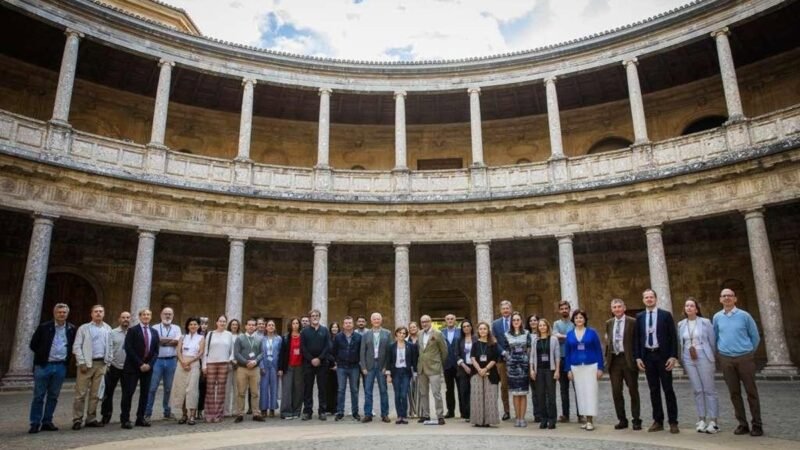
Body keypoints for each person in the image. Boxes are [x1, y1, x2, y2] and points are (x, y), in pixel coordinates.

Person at [713, 288, 762, 437]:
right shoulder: (717, 317)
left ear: (735, 299)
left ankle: (757, 424)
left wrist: (748, 352)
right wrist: (721, 354)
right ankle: (742, 423)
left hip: (744, 357)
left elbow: (755, 336)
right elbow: (715, 337)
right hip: (726, 358)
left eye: (730, 296)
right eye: (724, 296)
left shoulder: (744, 316)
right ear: (720, 299)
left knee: (751, 392)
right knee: (734, 393)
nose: (727, 298)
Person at [634, 289, 680, 434]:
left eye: (651, 297)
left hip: (663, 356)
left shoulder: (665, 315)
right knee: (653, 390)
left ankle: (673, 421)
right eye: (646, 297)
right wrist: (638, 357)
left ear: (656, 298)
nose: (649, 299)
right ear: (643, 300)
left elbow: (673, 337)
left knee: (668, 389)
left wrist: (673, 356)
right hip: (648, 356)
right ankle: (658, 420)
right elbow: (637, 339)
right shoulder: (639, 317)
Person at [28, 303, 76, 434]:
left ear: (67, 314)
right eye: (59, 312)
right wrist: (43, 355)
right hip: (44, 366)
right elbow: (33, 344)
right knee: (39, 396)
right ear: (55, 313)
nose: (62, 314)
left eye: (64, 312)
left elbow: (72, 345)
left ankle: (47, 421)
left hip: (60, 366)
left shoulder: (71, 328)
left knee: (53, 396)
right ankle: (35, 422)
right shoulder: (44, 327)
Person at [678, 297, 719, 434]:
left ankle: (713, 421)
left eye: (691, 306)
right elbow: (681, 342)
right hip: (688, 357)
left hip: (704, 355)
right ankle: (701, 419)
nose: (689, 308)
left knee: (709, 389)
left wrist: (710, 356)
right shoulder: (681, 324)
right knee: (697, 390)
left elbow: (712, 341)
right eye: (686, 305)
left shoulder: (705, 322)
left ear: (696, 308)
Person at [71, 304, 113, 430]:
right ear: (91, 314)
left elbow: (110, 346)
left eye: (101, 311)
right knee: (81, 393)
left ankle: (91, 418)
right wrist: (82, 362)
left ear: (104, 313)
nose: (98, 313)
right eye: (96, 311)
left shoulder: (108, 328)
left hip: (101, 364)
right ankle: (77, 419)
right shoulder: (84, 328)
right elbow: (77, 346)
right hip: (86, 364)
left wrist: (108, 362)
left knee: (96, 394)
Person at [604, 299, 641, 431]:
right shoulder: (609, 323)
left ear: (624, 308)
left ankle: (636, 419)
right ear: (612, 309)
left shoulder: (633, 322)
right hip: (614, 360)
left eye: (619, 306)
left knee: (633, 390)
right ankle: (622, 419)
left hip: (628, 359)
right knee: (616, 392)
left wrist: (637, 358)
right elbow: (608, 341)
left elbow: (637, 341)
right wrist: (606, 358)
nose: (617, 309)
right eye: (614, 307)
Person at [564, 310, 603, 431]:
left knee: (590, 392)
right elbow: (567, 353)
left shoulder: (592, 333)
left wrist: (600, 368)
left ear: (585, 319)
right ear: (573, 320)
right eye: (576, 318)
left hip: (591, 366)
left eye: (581, 318)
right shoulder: (570, 334)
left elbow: (598, 350)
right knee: (580, 394)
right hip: (576, 367)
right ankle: (585, 419)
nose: (579, 320)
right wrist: (568, 369)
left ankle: (590, 420)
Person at [120, 308, 159, 429]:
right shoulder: (132, 330)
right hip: (133, 367)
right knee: (128, 393)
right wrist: (140, 364)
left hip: (148, 368)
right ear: (140, 316)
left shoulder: (154, 332)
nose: (146, 316)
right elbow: (128, 348)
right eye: (144, 315)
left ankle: (140, 418)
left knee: (145, 394)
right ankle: (125, 419)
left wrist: (149, 365)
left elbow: (156, 351)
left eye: (148, 314)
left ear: (151, 317)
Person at [145, 307, 181, 422]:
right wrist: (169, 341)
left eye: (170, 314)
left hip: (171, 360)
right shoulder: (155, 327)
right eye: (165, 314)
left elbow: (177, 341)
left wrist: (163, 341)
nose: (168, 316)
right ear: (161, 315)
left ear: (173, 315)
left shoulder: (176, 328)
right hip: (157, 361)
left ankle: (167, 411)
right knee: (152, 387)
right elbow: (156, 341)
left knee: (168, 388)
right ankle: (147, 412)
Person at [170, 317, 205, 425]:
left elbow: (201, 352)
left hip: (193, 364)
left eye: (195, 324)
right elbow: (178, 351)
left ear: (198, 326)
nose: (193, 326)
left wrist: (189, 362)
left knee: (191, 390)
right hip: (181, 364)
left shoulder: (201, 338)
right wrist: (182, 362)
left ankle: (192, 416)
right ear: (187, 326)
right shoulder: (182, 337)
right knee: (181, 389)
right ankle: (184, 414)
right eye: (191, 324)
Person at [202, 315, 235, 423]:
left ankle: (218, 414)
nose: (222, 323)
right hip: (211, 363)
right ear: (216, 322)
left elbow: (232, 350)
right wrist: (204, 365)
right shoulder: (210, 334)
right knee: (210, 389)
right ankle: (209, 414)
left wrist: (229, 359)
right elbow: (205, 351)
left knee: (221, 390)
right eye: (220, 321)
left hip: (223, 363)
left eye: (224, 321)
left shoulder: (229, 334)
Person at [359, 312, 391, 423]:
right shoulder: (365, 335)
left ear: (381, 320)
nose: (376, 321)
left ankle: (385, 414)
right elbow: (362, 352)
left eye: (378, 319)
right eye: (374, 319)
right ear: (371, 321)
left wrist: (386, 367)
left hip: (381, 366)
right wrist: (363, 367)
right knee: (368, 391)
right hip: (369, 366)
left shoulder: (387, 333)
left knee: (383, 390)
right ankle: (368, 414)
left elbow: (389, 352)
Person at [417, 314, 447, 425]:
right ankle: (426, 415)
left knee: (436, 393)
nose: (424, 323)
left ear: (430, 322)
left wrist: (438, 363)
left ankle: (440, 416)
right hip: (422, 368)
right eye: (422, 322)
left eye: (426, 321)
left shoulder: (438, 334)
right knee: (423, 393)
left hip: (434, 368)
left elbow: (444, 351)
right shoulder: (419, 333)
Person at [101, 311, 131, 425]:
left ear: (130, 319)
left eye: (128, 317)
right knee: (108, 393)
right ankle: (106, 415)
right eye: (123, 317)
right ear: (119, 319)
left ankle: (125, 418)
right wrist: (108, 363)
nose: (125, 319)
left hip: (128, 368)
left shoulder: (133, 333)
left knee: (127, 394)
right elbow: (107, 349)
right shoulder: (112, 333)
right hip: (113, 366)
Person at [530, 318, 560, 430]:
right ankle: (543, 419)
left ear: (547, 327)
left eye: (544, 325)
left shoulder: (553, 339)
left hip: (550, 370)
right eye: (540, 325)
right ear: (538, 327)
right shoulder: (535, 340)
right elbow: (532, 357)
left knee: (551, 396)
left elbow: (557, 357)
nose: (542, 327)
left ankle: (552, 419)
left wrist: (557, 370)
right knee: (540, 395)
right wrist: (531, 370)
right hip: (539, 371)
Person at [301, 309, 330, 420]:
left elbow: (327, 346)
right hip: (308, 363)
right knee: (308, 388)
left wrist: (319, 358)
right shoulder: (305, 332)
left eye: (317, 315)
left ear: (319, 317)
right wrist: (312, 359)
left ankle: (322, 411)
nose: (315, 317)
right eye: (313, 316)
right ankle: (307, 411)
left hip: (322, 364)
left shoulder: (325, 330)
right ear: (310, 318)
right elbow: (303, 347)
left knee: (322, 388)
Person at [234, 318, 265, 422]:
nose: (251, 327)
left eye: (253, 325)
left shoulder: (259, 339)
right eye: (249, 325)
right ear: (246, 326)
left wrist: (255, 361)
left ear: (256, 327)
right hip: (242, 368)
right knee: (241, 392)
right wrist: (246, 362)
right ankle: (240, 413)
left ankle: (256, 413)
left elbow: (262, 353)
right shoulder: (240, 338)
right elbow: (236, 353)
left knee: (255, 392)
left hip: (255, 369)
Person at [385, 326, 418, 424]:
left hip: (406, 372)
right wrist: (388, 375)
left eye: (404, 333)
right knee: (397, 394)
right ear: (396, 334)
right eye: (400, 333)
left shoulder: (411, 346)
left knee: (403, 394)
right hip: (395, 372)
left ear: (406, 335)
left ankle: (404, 415)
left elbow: (414, 360)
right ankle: (399, 416)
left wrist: (415, 373)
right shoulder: (391, 346)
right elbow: (388, 361)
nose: (402, 335)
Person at [470, 321, 500, 428]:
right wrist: (479, 369)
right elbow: (472, 358)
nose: (483, 331)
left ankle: (488, 420)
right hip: (476, 373)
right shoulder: (475, 344)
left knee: (489, 397)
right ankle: (478, 420)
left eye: (485, 329)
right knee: (477, 397)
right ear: (478, 331)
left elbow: (495, 359)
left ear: (488, 331)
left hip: (491, 373)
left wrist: (486, 368)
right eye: (481, 329)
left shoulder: (493, 344)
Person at [552, 300, 578, 423]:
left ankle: (581, 414)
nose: (564, 310)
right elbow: (555, 335)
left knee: (578, 388)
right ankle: (565, 414)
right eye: (562, 309)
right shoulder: (556, 323)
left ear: (569, 309)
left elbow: (576, 337)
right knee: (563, 389)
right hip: (561, 358)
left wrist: (562, 337)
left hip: (573, 358)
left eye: (566, 308)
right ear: (559, 311)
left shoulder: (574, 323)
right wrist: (568, 337)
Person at [333, 316, 362, 421]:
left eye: (350, 323)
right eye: (346, 323)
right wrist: (337, 361)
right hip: (341, 367)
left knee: (354, 390)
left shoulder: (359, 337)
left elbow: (361, 352)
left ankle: (355, 412)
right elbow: (334, 351)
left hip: (354, 367)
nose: (348, 325)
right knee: (341, 390)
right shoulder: (338, 337)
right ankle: (340, 412)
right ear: (343, 325)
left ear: (353, 324)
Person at [505, 311, 531, 427]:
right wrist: (508, 358)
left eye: (518, 320)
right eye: (514, 320)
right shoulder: (507, 334)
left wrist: (527, 360)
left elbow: (530, 348)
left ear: (521, 321)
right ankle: (517, 418)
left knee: (523, 393)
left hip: (524, 366)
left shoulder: (526, 333)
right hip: (512, 367)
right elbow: (505, 349)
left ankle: (523, 418)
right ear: (511, 322)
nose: (516, 322)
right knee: (515, 393)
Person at [490, 300, 513, 421]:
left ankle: (519, 411)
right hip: (501, 358)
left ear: (511, 309)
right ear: (500, 310)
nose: (505, 310)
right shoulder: (495, 324)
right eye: (503, 308)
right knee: (504, 385)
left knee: (517, 384)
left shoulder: (516, 320)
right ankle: (507, 411)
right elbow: (493, 340)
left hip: (516, 358)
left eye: (507, 308)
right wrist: (503, 352)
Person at [279, 317, 304, 419]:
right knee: (287, 390)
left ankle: (296, 411)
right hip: (288, 366)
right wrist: (280, 368)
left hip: (300, 366)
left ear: (299, 325)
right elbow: (281, 354)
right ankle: (286, 412)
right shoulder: (285, 338)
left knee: (298, 390)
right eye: (293, 323)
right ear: (290, 325)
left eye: (297, 323)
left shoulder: (303, 337)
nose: (295, 325)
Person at [259, 320, 282, 418]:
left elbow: (281, 354)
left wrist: (280, 368)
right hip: (265, 364)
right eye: (269, 325)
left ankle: (272, 408)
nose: (271, 326)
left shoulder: (279, 339)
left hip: (275, 366)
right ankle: (263, 409)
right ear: (266, 327)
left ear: (275, 327)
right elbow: (259, 353)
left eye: (273, 325)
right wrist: (261, 366)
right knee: (263, 387)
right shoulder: (262, 339)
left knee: (274, 387)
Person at [454, 318, 475, 422]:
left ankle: (474, 413)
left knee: (474, 391)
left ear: (471, 327)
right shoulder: (459, 340)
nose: (466, 328)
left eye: (468, 326)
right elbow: (456, 355)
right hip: (463, 368)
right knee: (464, 391)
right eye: (464, 327)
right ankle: (466, 414)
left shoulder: (476, 338)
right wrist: (464, 365)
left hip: (475, 368)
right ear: (462, 329)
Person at [441, 313, 461, 419]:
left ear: (455, 320)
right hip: (447, 365)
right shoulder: (441, 332)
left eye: (452, 319)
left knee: (461, 389)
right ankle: (450, 411)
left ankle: (464, 411)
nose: (450, 320)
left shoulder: (460, 331)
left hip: (459, 365)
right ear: (445, 320)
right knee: (449, 389)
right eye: (448, 319)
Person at [224, 318, 241, 417]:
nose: (234, 326)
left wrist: (238, 361)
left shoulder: (241, 336)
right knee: (227, 389)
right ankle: (225, 410)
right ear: (230, 326)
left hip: (238, 365)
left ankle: (235, 410)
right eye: (233, 324)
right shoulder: (226, 336)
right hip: (228, 364)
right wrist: (230, 360)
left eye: (236, 324)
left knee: (237, 389)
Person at [526, 314, 541, 422]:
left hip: (541, 364)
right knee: (535, 391)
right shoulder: (527, 335)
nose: (533, 322)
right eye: (531, 321)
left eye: (535, 320)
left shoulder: (543, 334)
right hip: (530, 365)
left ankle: (545, 412)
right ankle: (537, 414)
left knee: (543, 391)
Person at [406, 321, 421, 419]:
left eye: (414, 327)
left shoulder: (422, 338)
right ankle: (411, 411)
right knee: (410, 391)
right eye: (410, 327)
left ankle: (419, 412)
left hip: (420, 367)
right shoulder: (407, 340)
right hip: (410, 368)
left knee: (420, 390)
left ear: (417, 327)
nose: (412, 329)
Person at [325, 322, 340, 415]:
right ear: (330, 329)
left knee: (337, 388)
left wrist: (337, 364)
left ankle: (336, 408)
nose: (334, 329)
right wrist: (332, 363)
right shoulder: (327, 339)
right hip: (328, 366)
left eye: (336, 327)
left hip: (339, 366)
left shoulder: (341, 338)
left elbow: (342, 351)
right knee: (328, 387)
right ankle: (327, 408)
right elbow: (326, 351)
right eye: (333, 327)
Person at [197, 317, 209, 419]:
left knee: (203, 388)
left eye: (206, 323)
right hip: (195, 362)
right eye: (202, 323)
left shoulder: (209, 335)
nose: (204, 325)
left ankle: (200, 410)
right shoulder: (194, 335)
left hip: (205, 364)